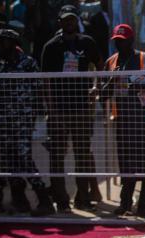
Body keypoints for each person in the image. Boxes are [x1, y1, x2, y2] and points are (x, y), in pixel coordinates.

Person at [41, 5, 102, 212]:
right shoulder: (51, 46)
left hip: (82, 109)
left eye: (72, 19)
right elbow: (46, 82)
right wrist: (52, 110)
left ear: (77, 21)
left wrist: (96, 87)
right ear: (60, 22)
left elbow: (99, 67)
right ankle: (61, 200)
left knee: (82, 155)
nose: (69, 23)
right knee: (57, 156)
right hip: (58, 110)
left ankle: (83, 198)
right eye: (65, 20)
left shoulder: (87, 42)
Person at [0, 29, 55, 216]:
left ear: (11, 43)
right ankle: (20, 201)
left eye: (2, 42)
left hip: (22, 120)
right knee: (9, 160)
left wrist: (39, 116)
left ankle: (44, 200)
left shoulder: (28, 63)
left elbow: (39, 90)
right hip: (2, 121)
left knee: (24, 158)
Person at [103, 24, 145, 217]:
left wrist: (143, 90)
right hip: (124, 122)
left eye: (123, 41)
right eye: (117, 41)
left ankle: (143, 205)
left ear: (131, 40)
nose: (120, 44)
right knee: (127, 164)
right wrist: (110, 83)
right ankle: (125, 204)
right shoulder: (111, 62)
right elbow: (104, 94)